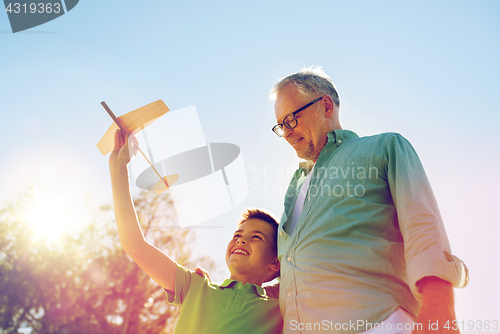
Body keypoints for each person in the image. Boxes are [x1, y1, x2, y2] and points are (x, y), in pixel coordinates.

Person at [269, 67, 468, 334]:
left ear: (326, 106)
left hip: (379, 323)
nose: (288, 132)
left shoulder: (384, 148)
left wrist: (439, 306)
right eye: (281, 126)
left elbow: (422, 226)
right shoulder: (294, 189)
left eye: (292, 119)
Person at [109, 130, 283, 334]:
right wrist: (118, 167)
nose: (241, 240)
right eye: (237, 235)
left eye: (256, 237)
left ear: (276, 262)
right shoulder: (195, 287)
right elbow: (134, 245)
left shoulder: (282, 307)